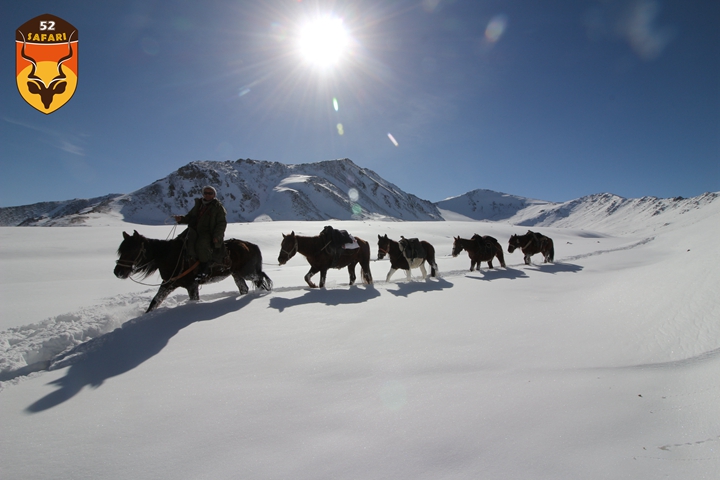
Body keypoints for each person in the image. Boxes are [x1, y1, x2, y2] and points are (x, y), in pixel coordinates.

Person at [174, 186, 227, 280]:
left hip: (208, 232)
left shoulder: (218, 208)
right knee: (179, 241)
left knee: (201, 246)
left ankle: (204, 270)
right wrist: (181, 219)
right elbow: (190, 217)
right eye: (205, 193)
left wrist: (217, 236)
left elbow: (221, 223)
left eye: (210, 193)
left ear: (214, 195)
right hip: (194, 230)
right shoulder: (198, 204)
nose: (207, 195)